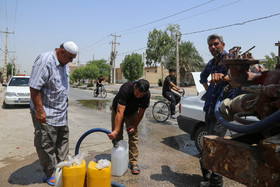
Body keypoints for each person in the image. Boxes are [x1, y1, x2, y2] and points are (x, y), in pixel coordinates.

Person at [29, 41, 78, 186]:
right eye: (69, 57)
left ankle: (62, 168)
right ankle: (50, 173)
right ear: (61, 51)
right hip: (46, 114)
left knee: (62, 141)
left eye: (73, 58)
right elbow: (34, 88)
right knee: (46, 144)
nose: (71, 61)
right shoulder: (45, 61)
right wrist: (40, 111)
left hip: (61, 114)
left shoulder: (64, 64)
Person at [199, 34, 229, 187]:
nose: (213, 47)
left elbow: (237, 78)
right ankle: (209, 179)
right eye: (210, 45)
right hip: (209, 109)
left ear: (223, 44)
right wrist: (210, 88)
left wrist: (223, 77)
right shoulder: (211, 63)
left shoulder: (230, 59)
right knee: (208, 146)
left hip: (220, 112)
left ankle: (216, 182)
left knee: (214, 147)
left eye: (216, 44)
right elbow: (202, 77)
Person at [108, 79, 150, 175]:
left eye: (141, 95)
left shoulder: (146, 95)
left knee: (133, 135)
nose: (138, 96)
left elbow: (141, 112)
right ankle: (117, 159)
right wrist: (116, 130)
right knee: (117, 135)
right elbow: (120, 112)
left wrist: (134, 125)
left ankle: (134, 162)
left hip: (132, 112)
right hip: (118, 110)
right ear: (135, 86)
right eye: (137, 93)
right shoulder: (126, 88)